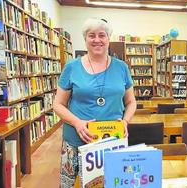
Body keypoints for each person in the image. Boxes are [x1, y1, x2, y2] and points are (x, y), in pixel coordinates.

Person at [53, 17, 137, 187]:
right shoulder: (71, 67)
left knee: (112, 183)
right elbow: (58, 104)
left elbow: (131, 102)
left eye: (102, 35)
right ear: (85, 39)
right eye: (92, 35)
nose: (97, 40)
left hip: (112, 140)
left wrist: (125, 121)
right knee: (70, 184)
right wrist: (77, 123)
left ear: (108, 39)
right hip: (76, 141)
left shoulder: (122, 68)